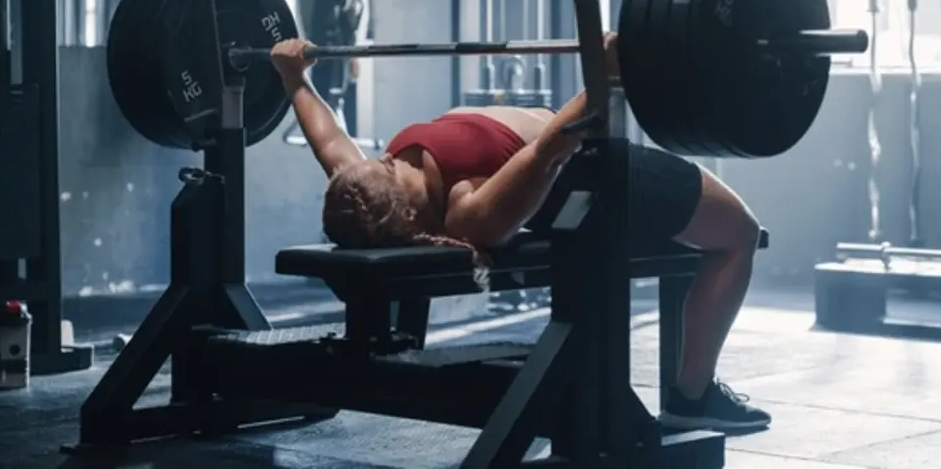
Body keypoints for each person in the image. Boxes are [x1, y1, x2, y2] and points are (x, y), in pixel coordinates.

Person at [270, 35, 772, 432]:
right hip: (585, 169)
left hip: (564, 154)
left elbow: (330, 141)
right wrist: (605, 80)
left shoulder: (367, 187)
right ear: (413, 219)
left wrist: (293, 77)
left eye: (385, 162)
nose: (389, 160)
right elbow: (548, 151)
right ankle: (692, 397)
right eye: (388, 165)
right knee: (739, 234)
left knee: (700, 234)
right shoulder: (469, 212)